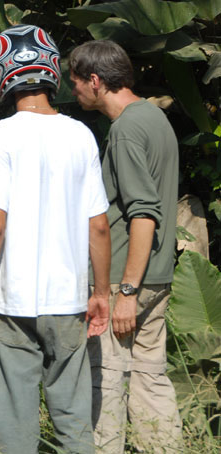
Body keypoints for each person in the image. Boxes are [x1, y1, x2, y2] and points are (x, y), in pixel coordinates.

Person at [0, 24, 112, 454]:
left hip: (12, 303)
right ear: (51, 71)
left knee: (13, 415)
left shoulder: (0, 136)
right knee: (72, 414)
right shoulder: (81, 135)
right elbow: (98, 225)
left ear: (2, 75)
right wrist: (100, 291)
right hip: (68, 301)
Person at [68, 40, 183, 454]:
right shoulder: (154, 118)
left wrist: (127, 292)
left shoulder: (126, 130)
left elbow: (143, 212)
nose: (73, 90)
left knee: (107, 381)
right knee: (151, 380)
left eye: (76, 81)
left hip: (124, 281)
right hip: (156, 275)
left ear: (96, 81)